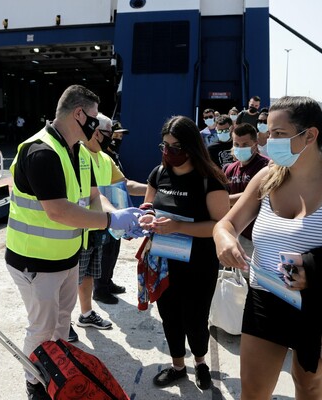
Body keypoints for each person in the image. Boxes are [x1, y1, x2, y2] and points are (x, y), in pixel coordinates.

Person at [213, 96, 322, 399]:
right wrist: (225, 240)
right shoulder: (266, 177)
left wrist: (319, 271)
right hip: (264, 298)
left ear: (309, 135)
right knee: (252, 390)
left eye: (278, 134)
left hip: (316, 304)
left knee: (308, 384)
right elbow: (226, 224)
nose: (269, 140)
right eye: (269, 132)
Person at [4, 84, 143, 400]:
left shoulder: (79, 152)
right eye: (94, 116)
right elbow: (58, 211)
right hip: (34, 261)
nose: (98, 124)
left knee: (61, 325)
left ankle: (58, 375)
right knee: (40, 329)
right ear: (79, 114)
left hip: (67, 257)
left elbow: (94, 198)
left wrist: (120, 215)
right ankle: (34, 383)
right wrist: (110, 221)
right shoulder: (40, 152)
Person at [139, 115, 230, 391]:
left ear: (191, 146)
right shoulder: (158, 173)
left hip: (199, 263)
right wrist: (146, 218)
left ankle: (201, 363)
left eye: (176, 146)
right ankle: (178, 365)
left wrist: (179, 225)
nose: (169, 152)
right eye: (164, 145)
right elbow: (147, 206)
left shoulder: (209, 179)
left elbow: (221, 226)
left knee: (196, 317)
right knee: (170, 316)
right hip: (164, 263)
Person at [94, 121, 147, 305]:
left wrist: (152, 189)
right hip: (102, 214)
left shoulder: (110, 157)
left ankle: (107, 282)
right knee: (103, 252)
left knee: (112, 250)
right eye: (114, 135)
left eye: (120, 136)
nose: (118, 139)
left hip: (115, 213)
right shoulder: (94, 157)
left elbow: (125, 184)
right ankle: (100, 289)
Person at [223, 123, 270, 254]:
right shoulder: (230, 168)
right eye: (236, 144)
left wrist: (224, 200)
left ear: (255, 144)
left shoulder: (265, 166)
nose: (240, 148)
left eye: (245, 145)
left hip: (256, 235)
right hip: (236, 231)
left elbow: (256, 194)